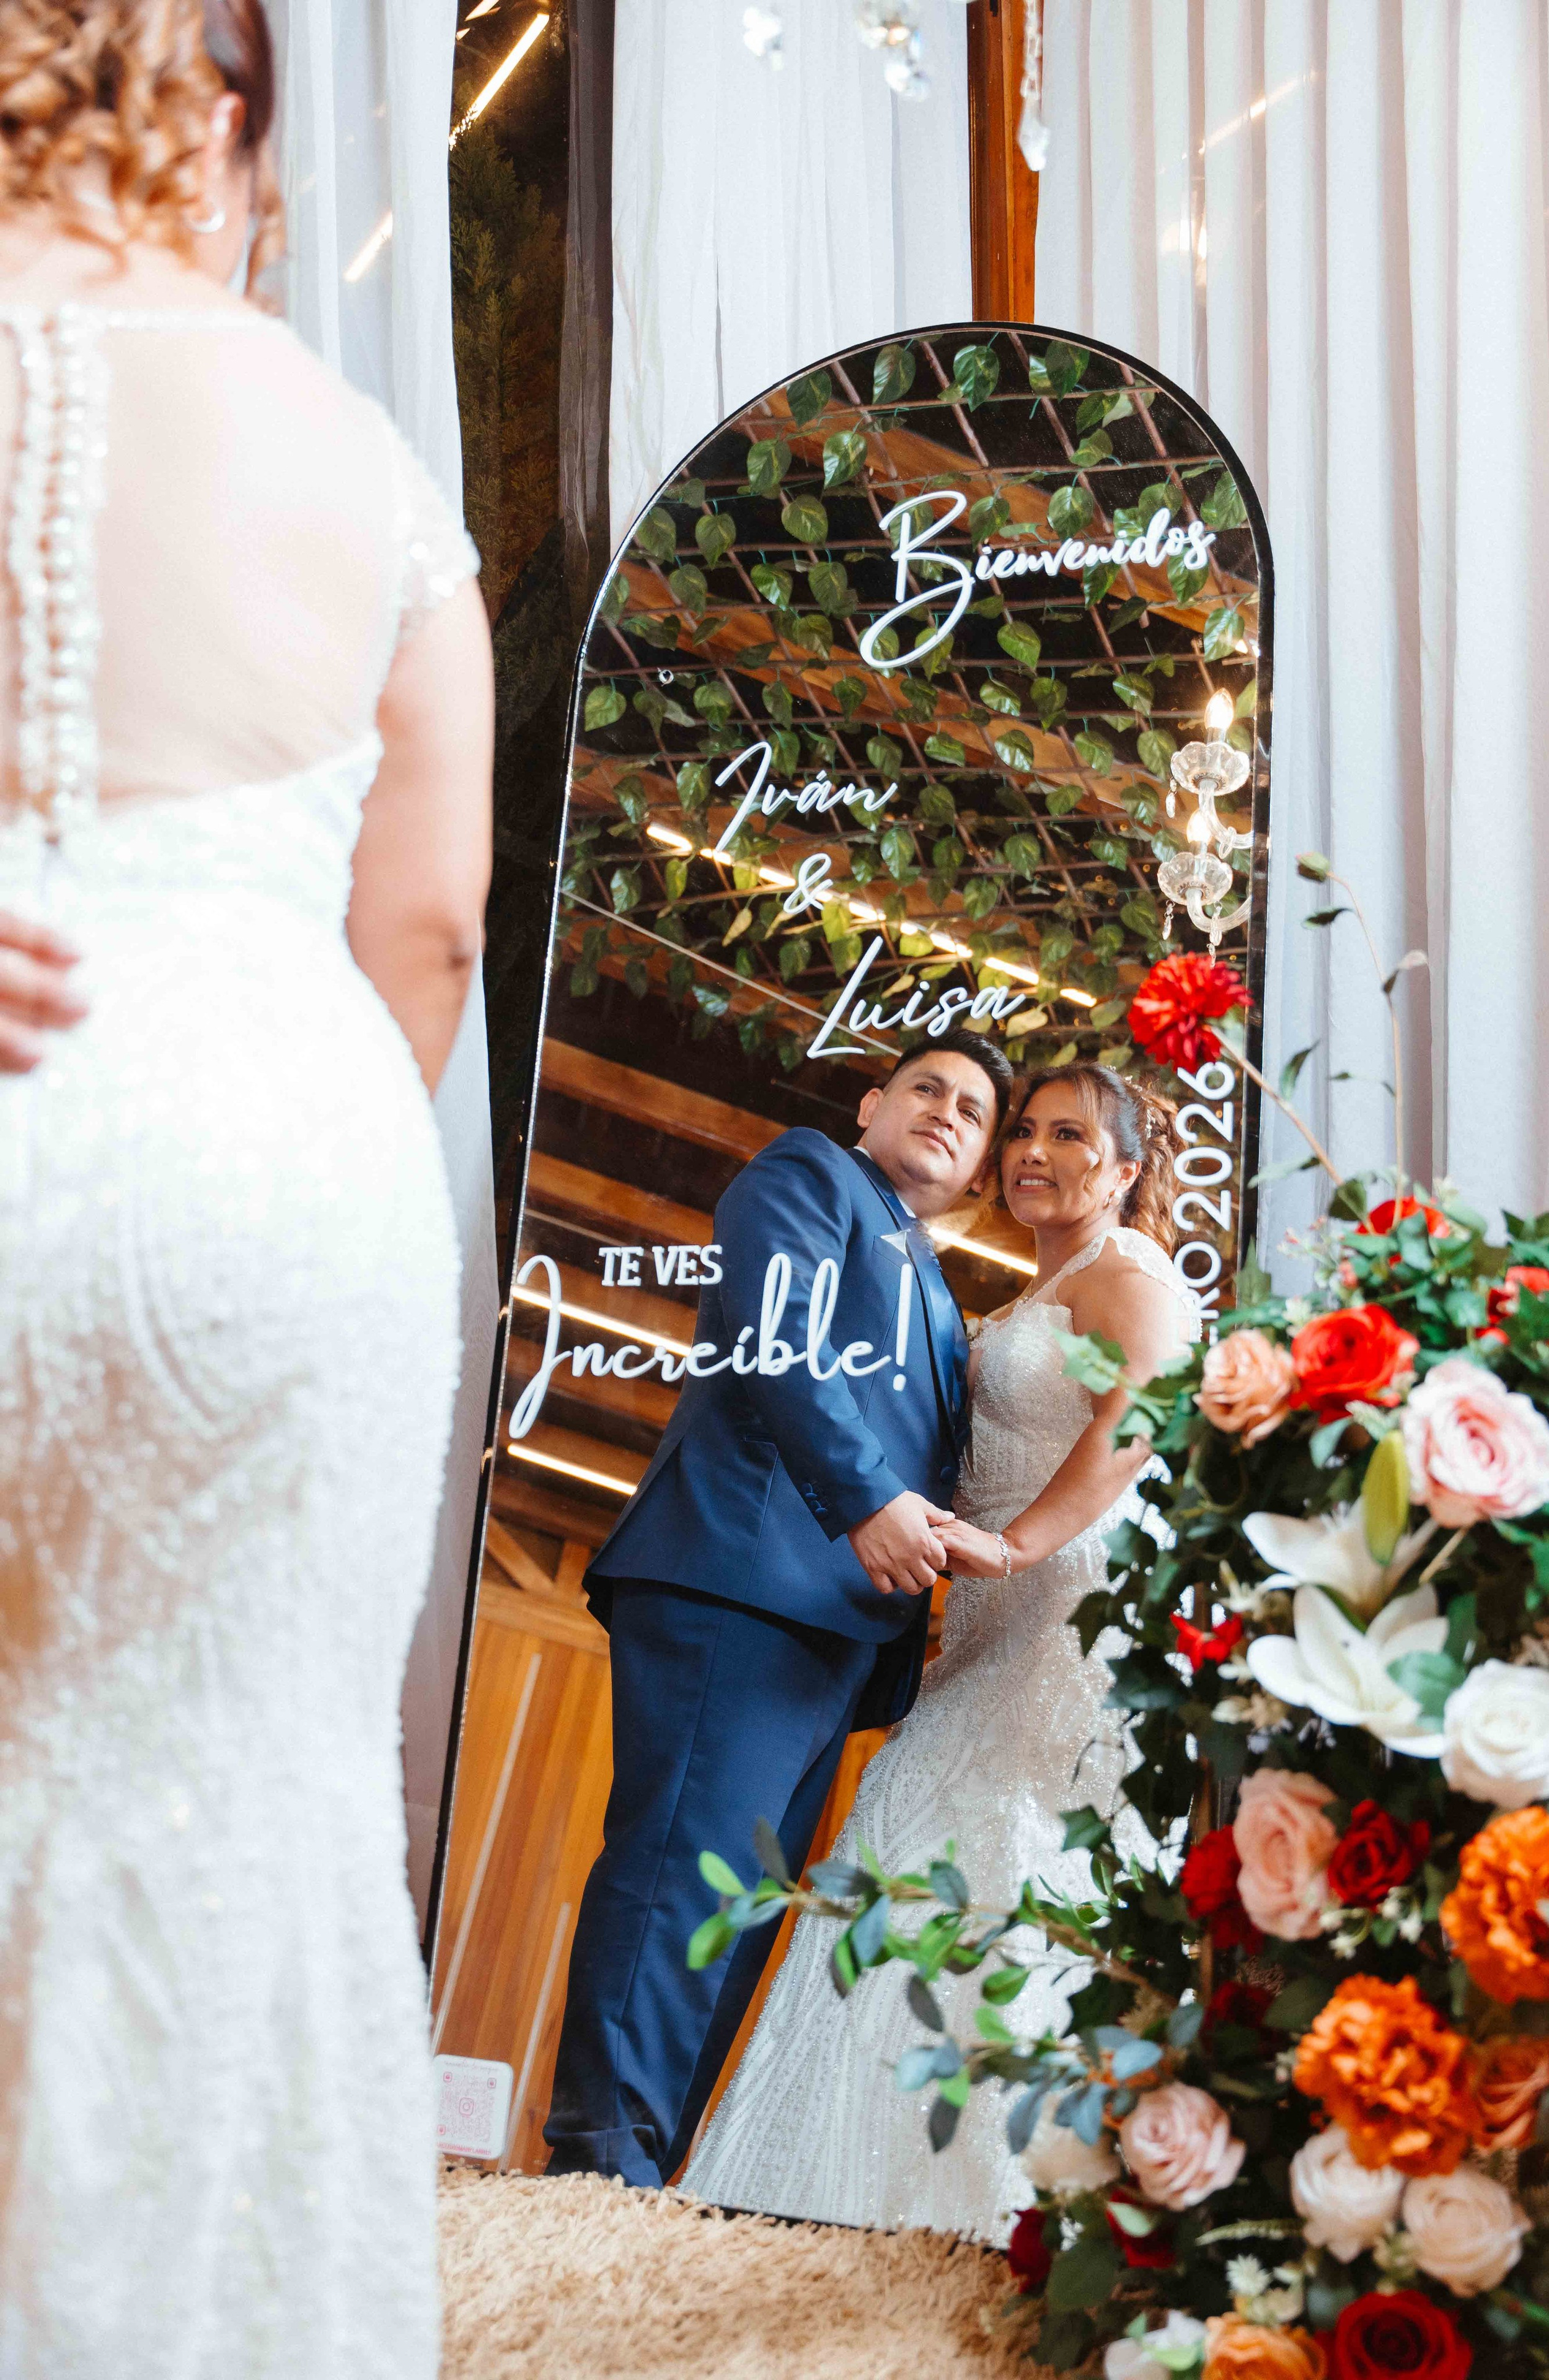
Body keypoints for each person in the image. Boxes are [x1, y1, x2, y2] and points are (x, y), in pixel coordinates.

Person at [0, 7, 493, 2374]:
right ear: (212, 126)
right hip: (275, 1157)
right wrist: (263, 1125)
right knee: (244, 1849)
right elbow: (430, 936)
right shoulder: (371, 458)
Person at [684, 1064, 1199, 2240]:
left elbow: (1142, 1418)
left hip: (1064, 1621)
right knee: (914, 1852)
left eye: (1070, 1134)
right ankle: (831, 2197)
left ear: (1124, 1171)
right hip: (981, 1632)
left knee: (1017, 1876)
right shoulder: (1027, 1294)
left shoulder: (1128, 1276)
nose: (1032, 1149)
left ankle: (1000, 2213)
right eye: (1022, 1130)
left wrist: (1016, 1547)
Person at [542, 1030, 1013, 2188]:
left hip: (837, 1633)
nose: (950, 1113)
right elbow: (780, 1342)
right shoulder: (812, 1176)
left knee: (742, 1916)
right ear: (870, 1106)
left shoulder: (938, 1290)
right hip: (743, 1578)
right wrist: (869, 1499)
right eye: (928, 1091)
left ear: (980, 1170)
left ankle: (648, 2180)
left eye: (974, 1113)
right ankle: (600, 2164)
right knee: (680, 1876)